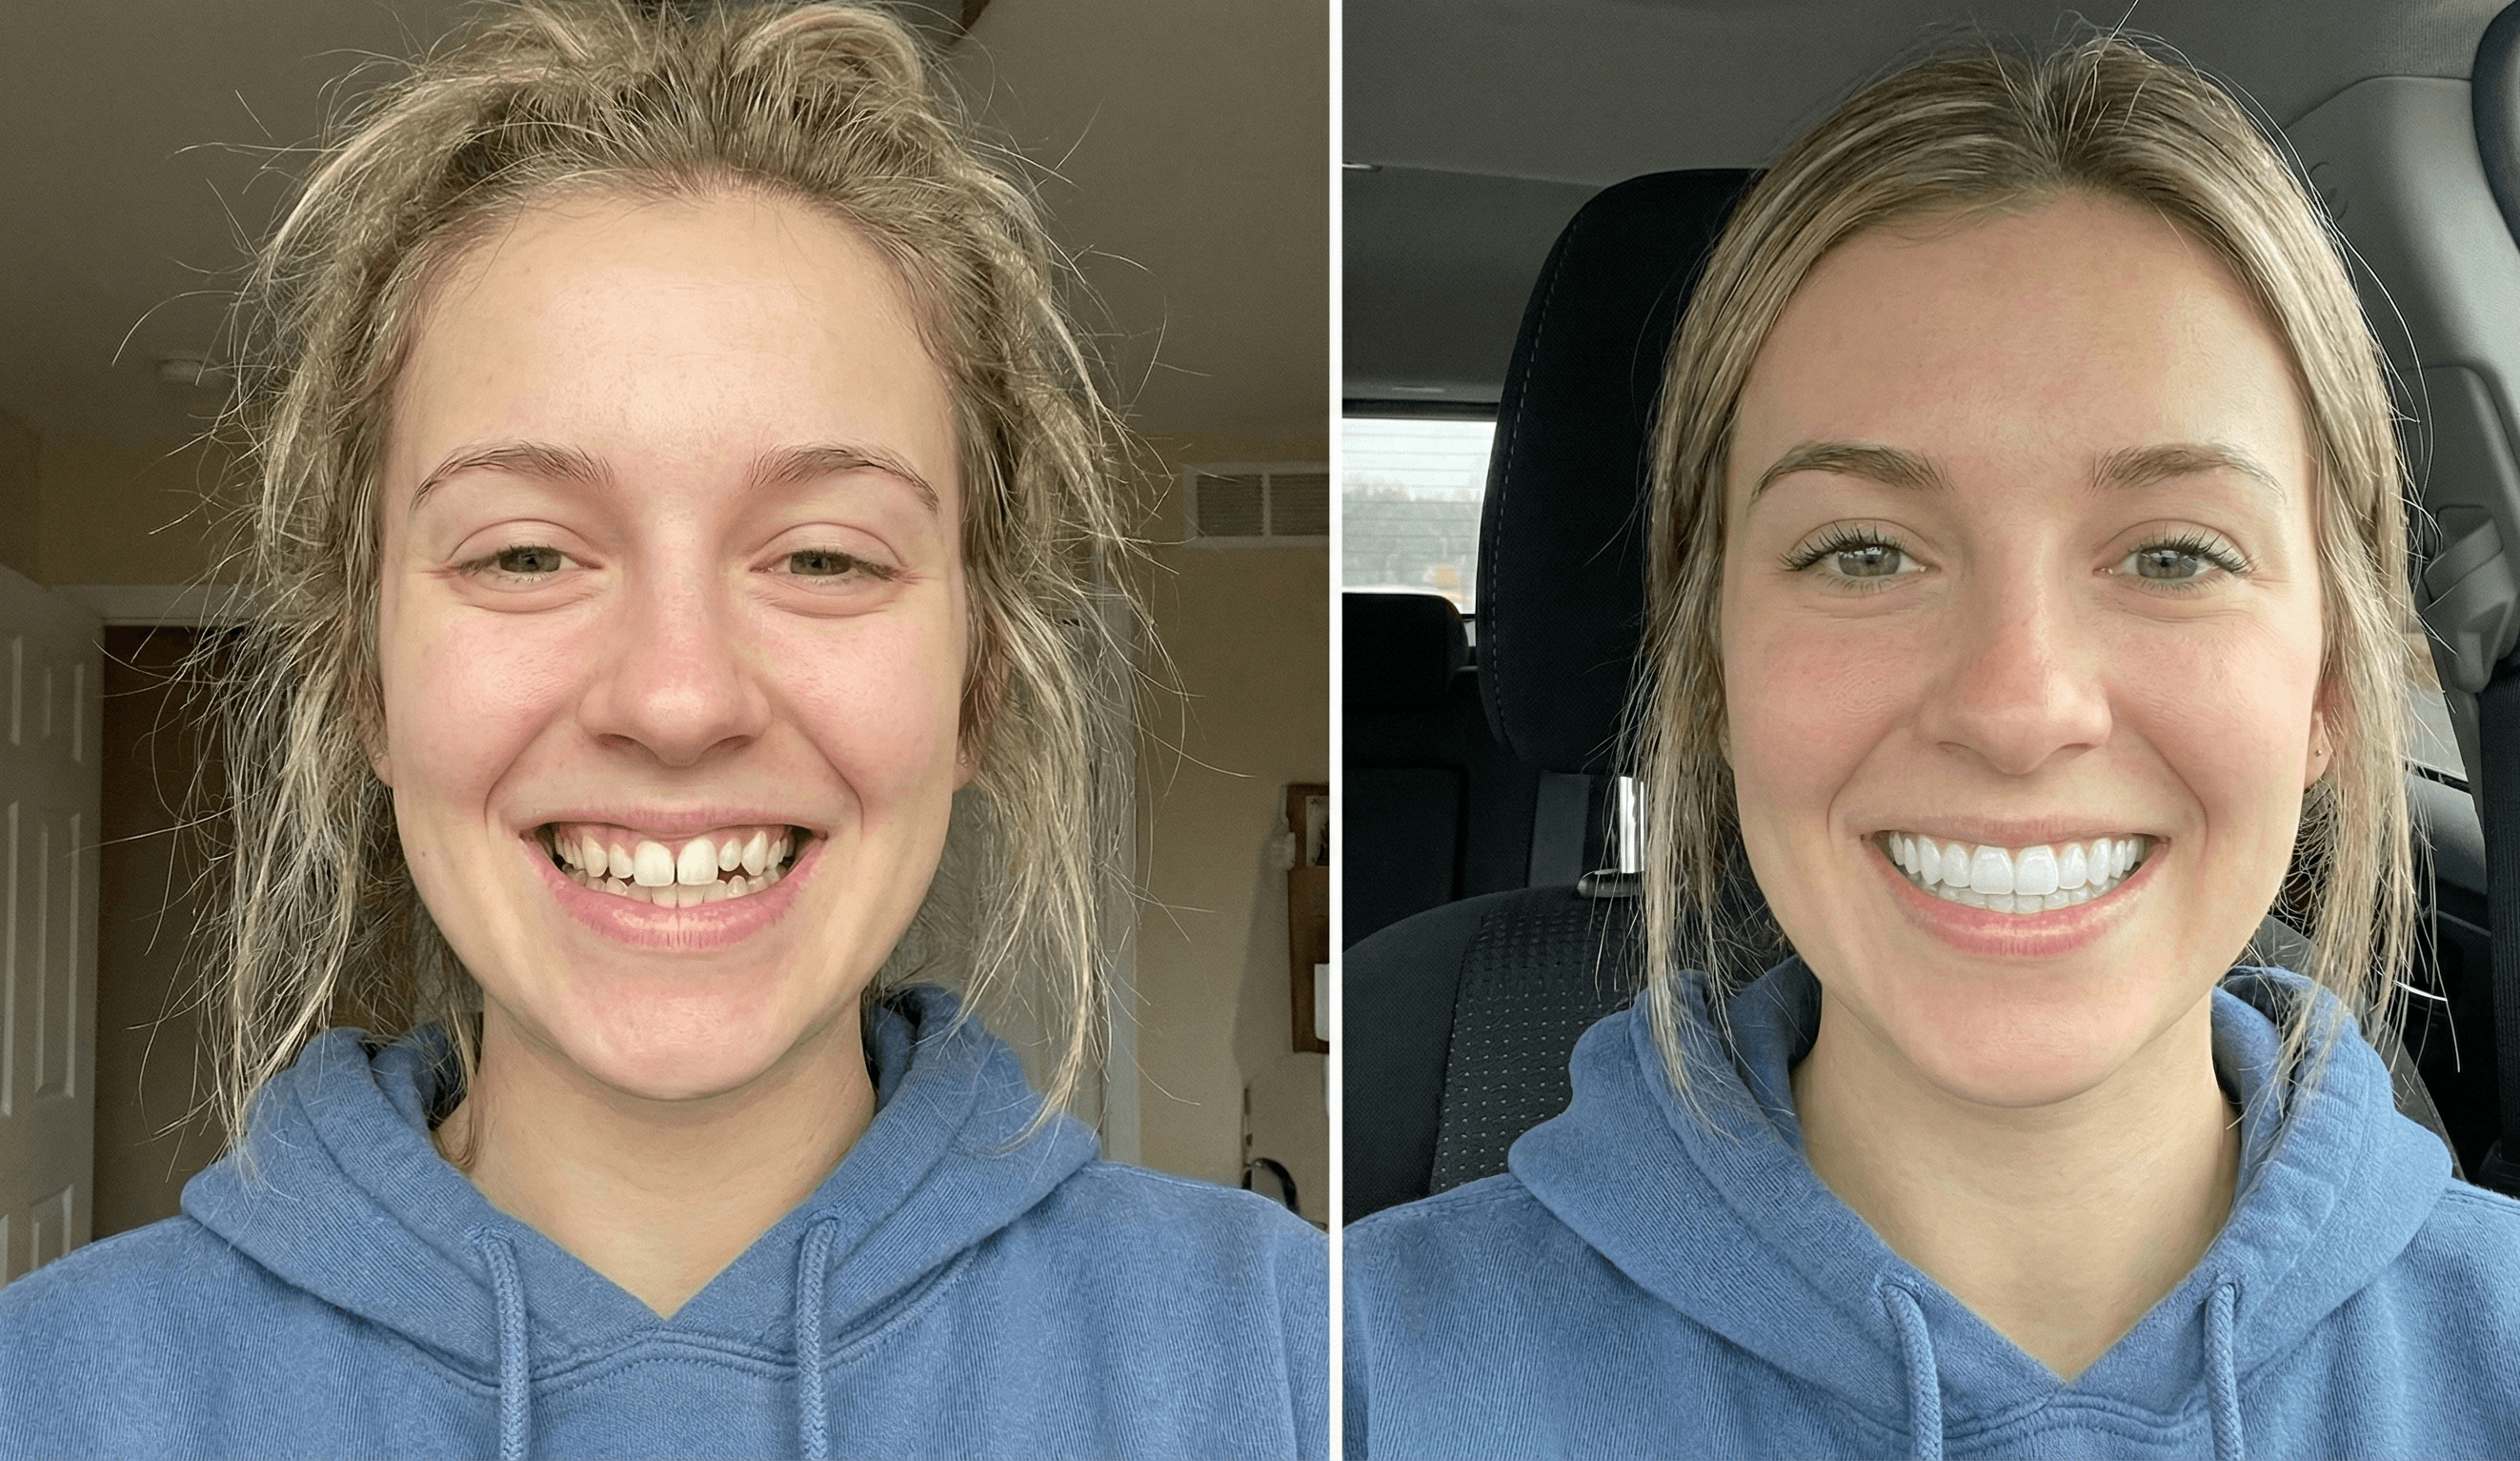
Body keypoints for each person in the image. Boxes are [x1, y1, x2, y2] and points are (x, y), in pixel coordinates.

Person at [0, 4, 1324, 1458]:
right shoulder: (49, 1395)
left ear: (980, 680)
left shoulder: (1293, 1362)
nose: (678, 699)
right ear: (364, 679)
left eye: (824, 556)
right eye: (524, 554)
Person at [1345, 30, 2520, 1461]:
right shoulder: (1337, 1380)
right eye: (1860, 553)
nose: (2019, 707)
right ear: (1710, 666)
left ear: (2332, 681)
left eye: (2170, 556)